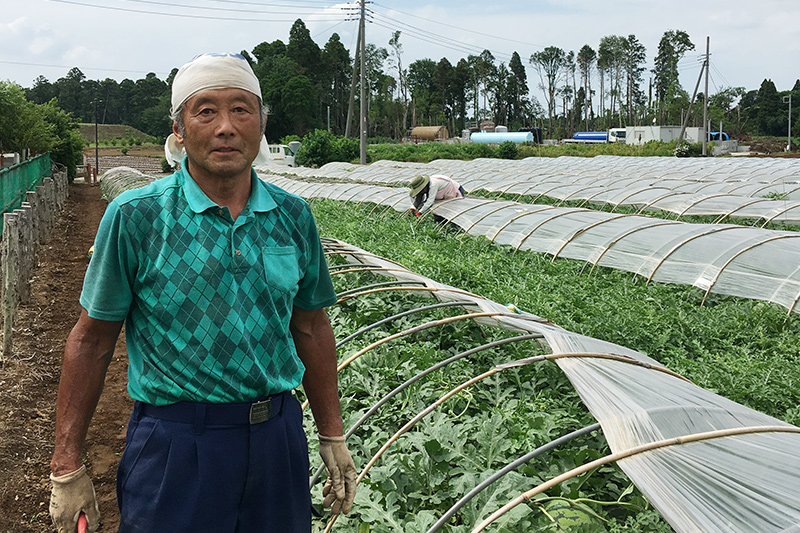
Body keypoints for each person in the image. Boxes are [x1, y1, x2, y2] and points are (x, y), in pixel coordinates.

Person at [48, 52, 356, 533]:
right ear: (179, 128)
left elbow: (312, 326)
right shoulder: (138, 217)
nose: (226, 127)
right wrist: (67, 466)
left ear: (261, 123)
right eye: (206, 110)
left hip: (276, 440)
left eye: (241, 109)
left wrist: (331, 434)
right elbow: (92, 340)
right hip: (176, 443)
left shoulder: (293, 218)